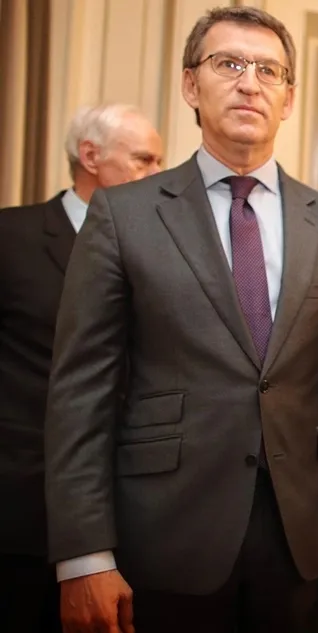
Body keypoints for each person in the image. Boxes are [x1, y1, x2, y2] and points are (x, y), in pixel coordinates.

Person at [43, 6, 318, 633]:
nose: (250, 82)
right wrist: (84, 555)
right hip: (165, 530)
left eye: (268, 71)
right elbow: (81, 392)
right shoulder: (124, 215)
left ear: (287, 98)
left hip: (301, 538)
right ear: (190, 85)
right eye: (229, 64)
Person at [0, 103, 162, 633]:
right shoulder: (11, 237)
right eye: (144, 160)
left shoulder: (162, 252)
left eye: (160, 162)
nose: (157, 175)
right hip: (22, 513)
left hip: (135, 515)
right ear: (90, 157)